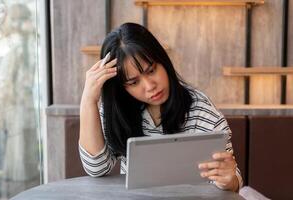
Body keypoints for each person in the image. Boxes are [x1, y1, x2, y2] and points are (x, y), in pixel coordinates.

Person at [79, 22, 242, 192]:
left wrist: (229, 180)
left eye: (151, 70)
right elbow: (96, 168)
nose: (150, 86)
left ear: (163, 61)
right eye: (134, 82)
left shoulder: (201, 110)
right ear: (122, 87)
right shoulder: (118, 110)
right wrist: (88, 101)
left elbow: (231, 181)